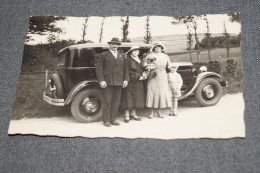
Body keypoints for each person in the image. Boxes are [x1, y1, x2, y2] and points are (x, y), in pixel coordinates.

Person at [95, 37, 129, 127]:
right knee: (107, 101)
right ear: (109, 45)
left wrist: (125, 79)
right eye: (113, 44)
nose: (114, 46)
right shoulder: (103, 55)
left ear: (118, 46)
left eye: (116, 44)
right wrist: (101, 80)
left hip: (119, 82)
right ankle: (106, 120)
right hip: (108, 81)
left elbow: (126, 69)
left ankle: (113, 119)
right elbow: (99, 69)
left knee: (116, 102)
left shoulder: (122, 55)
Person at [144, 42, 172, 118]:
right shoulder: (150, 56)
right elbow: (145, 65)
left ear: (161, 48)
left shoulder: (165, 56)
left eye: (159, 47)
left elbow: (170, 66)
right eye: (156, 47)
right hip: (153, 75)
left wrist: (172, 73)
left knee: (161, 93)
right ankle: (151, 113)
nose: (157, 48)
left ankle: (160, 112)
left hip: (163, 75)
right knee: (152, 92)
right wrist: (148, 67)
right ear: (153, 48)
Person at [121, 46, 147, 123]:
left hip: (139, 81)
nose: (136, 53)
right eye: (134, 51)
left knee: (137, 97)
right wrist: (138, 76)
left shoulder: (140, 59)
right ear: (131, 52)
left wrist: (144, 74)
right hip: (130, 81)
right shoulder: (128, 60)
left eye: (137, 51)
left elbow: (143, 69)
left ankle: (133, 114)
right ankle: (126, 115)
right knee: (128, 97)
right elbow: (127, 71)